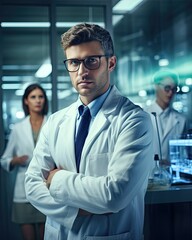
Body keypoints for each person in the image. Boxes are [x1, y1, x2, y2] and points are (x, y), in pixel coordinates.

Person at [25, 23, 153, 240]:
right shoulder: (56, 121)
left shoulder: (134, 120)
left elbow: (114, 195)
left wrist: (56, 180)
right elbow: (32, 186)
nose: (82, 71)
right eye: (74, 62)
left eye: (91, 61)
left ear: (110, 63)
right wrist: (79, 210)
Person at [1, 83, 48, 240]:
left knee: (45, 236)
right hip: (24, 190)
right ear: (26, 101)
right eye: (33, 97)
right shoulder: (18, 128)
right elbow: (4, 159)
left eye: (40, 97)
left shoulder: (53, 123)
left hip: (46, 188)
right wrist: (15, 160)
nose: (38, 101)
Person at [145, 68, 187, 165]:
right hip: (148, 176)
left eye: (174, 89)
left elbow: (183, 153)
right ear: (156, 86)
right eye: (167, 88)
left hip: (172, 176)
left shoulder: (181, 120)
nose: (171, 93)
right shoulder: (142, 115)